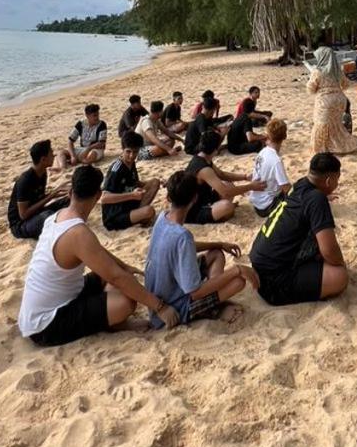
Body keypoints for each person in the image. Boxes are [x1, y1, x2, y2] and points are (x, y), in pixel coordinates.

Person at [18, 164, 179, 345]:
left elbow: (97, 252)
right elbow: (116, 277)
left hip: (45, 306)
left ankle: (106, 318)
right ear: (97, 196)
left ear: (71, 192)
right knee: (127, 302)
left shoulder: (57, 216)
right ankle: (110, 323)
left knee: (121, 276)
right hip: (46, 325)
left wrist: (124, 266)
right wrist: (160, 306)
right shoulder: (78, 232)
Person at [144, 169, 259, 328]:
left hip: (159, 296)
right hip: (175, 307)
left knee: (216, 254)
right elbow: (194, 292)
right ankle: (213, 307)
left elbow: (181, 249)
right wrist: (236, 270)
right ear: (194, 199)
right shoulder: (182, 235)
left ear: (168, 198)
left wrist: (218, 244)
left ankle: (214, 301)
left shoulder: (162, 218)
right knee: (238, 282)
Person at [249, 152, 349, 307]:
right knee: (340, 276)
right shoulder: (317, 200)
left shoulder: (300, 185)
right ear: (329, 180)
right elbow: (329, 250)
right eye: (337, 179)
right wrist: (340, 262)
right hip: (273, 283)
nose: (337, 183)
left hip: (259, 266)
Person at [185, 130, 266, 223]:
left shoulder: (202, 158)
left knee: (228, 184)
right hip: (195, 210)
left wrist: (244, 177)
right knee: (228, 207)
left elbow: (221, 175)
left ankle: (217, 209)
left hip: (204, 198)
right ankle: (218, 214)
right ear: (215, 150)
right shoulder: (204, 169)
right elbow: (226, 193)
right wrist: (251, 186)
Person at [7, 141, 71, 240]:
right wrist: (52, 195)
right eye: (51, 154)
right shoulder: (25, 180)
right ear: (43, 159)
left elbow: (38, 199)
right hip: (21, 225)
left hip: (37, 213)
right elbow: (23, 215)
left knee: (70, 199)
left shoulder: (42, 173)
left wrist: (59, 193)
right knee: (47, 216)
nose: (54, 156)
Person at [100, 132, 160, 230]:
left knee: (155, 182)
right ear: (122, 149)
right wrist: (132, 195)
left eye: (135, 152)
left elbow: (134, 182)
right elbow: (104, 198)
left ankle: (139, 215)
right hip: (115, 215)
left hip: (129, 204)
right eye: (128, 151)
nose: (132, 156)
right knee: (149, 211)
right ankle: (141, 217)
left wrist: (151, 184)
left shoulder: (131, 163)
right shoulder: (116, 169)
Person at [307, 47, 357, 155]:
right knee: (336, 125)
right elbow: (346, 85)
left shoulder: (317, 72)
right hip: (340, 100)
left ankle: (322, 148)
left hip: (325, 102)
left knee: (321, 125)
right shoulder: (337, 71)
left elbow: (311, 89)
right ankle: (340, 146)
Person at [248, 118, 291, 217]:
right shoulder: (276, 160)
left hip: (256, 202)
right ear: (285, 136)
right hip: (267, 206)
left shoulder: (263, 152)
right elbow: (286, 188)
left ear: (268, 136)